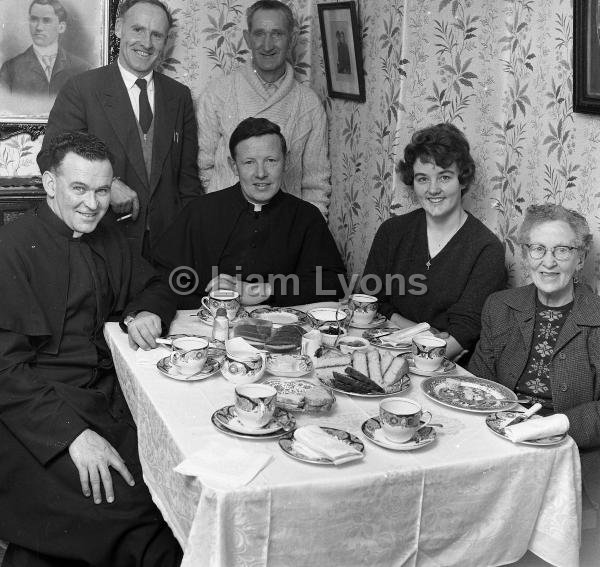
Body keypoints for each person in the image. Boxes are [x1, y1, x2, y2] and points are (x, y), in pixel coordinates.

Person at [0, 132, 182, 566]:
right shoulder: (10, 249)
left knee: (168, 483)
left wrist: (145, 312)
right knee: (134, 507)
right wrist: (72, 436)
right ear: (49, 184)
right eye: (78, 188)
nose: (92, 204)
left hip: (101, 400)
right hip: (33, 418)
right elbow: (4, 369)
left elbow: (157, 284)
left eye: (102, 190)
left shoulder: (108, 239)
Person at [38, 0, 201, 261]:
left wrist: (191, 241)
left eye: (156, 35)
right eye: (138, 29)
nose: (146, 43)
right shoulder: (82, 89)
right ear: (118, 28)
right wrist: (105, 186)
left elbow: (188, 181)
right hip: (101, 244)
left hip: (168, 248)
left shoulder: (179, 96)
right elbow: (49, 157)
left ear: (165, 42)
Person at [469, 204, 600, 517]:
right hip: (500, 446)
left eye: (563, 250)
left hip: (571, 458)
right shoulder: (500, 306)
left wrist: (557, 424)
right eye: (538, 249)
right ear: (525, 254)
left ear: (580, 258)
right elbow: (477, 385)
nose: (549, 262)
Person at [154, 117, 346, 308]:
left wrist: (266, 290)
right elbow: (162, 277)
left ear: (285, 162)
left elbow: (335, 282)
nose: (260, 173)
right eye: (249, 162)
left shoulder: (306, 217)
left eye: (271, 160)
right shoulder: (200, 211)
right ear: (233, 166)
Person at [361, 123, 506, 360]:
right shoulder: (392, 232)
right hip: (382, 350)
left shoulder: (486, 249)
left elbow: (462, 335)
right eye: (422, 179)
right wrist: (420, 330)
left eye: (444, 177)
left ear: (463, 180)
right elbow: (371, 299)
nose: (433, 189)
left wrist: (407, 351)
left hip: (441, 366)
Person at [197, 0, 332, 216]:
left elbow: (316, 184)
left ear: (292, 39)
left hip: (284, 228)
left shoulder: (309, 104)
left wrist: (306, 233)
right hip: (224, 220)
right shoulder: (217, 93)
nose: (267, 45)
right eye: (259, 34)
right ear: (247, 38)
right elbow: (204, 167)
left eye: (277, 34)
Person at [0, 0, 91, 97]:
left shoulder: (83, 69)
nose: (38, 27)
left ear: (61, 27)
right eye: (34, 19)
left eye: (46, 20)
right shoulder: (10, 70)